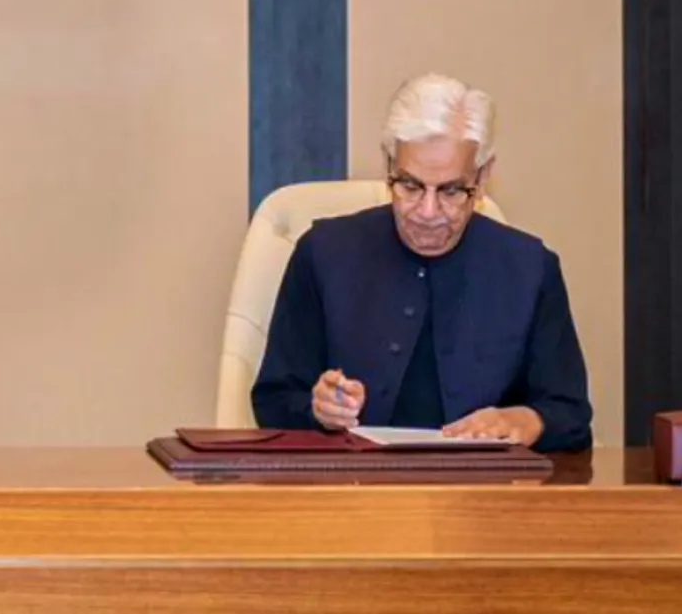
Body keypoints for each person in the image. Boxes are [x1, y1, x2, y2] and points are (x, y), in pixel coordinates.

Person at [250, 73, 593, 452]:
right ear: (388, 164)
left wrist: (525, 421)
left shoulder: (531, 269)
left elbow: (571, 415)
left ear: (482, 177)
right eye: (410, 186)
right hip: (351, 498)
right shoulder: (322, 253)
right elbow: (273, 399)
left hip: (484, 500)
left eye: (450, 190)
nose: (427, 212)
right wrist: (318, 409)